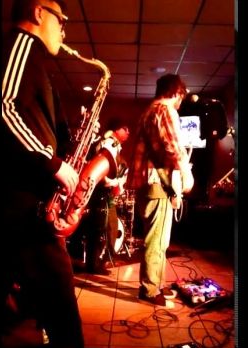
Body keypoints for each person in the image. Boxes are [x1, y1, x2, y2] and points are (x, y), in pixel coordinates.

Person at [0, 0, 84, 348]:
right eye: (60, 20)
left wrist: (71, 147)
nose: (63, 29)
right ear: (38, 13)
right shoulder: (21, 44)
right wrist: (52, 163)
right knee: (66, 325)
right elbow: (4, 108)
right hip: (23, 211)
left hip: (26, 207)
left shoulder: (34, 60)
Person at [126, 74, 194, 306]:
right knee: (157, 240)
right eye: (180, 97)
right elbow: (173, 147)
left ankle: (156, 283)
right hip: (158, 184)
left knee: (155, 238)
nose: (180, 102)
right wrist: (186, 174)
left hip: (146, 184)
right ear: (176, 92)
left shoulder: (147, 111)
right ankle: (149, 290)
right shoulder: (165, 110)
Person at [69, 117, 130, 275]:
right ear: (116, 130)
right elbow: (101, 169)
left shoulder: (113, 145)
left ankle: (96, 263)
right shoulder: (107, 143)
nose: (128, 132)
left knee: (103, 228)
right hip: (100, 192)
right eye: (125, 129)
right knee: (100, 229)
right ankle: (95, 264)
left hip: (105, 193)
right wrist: (114, 182)